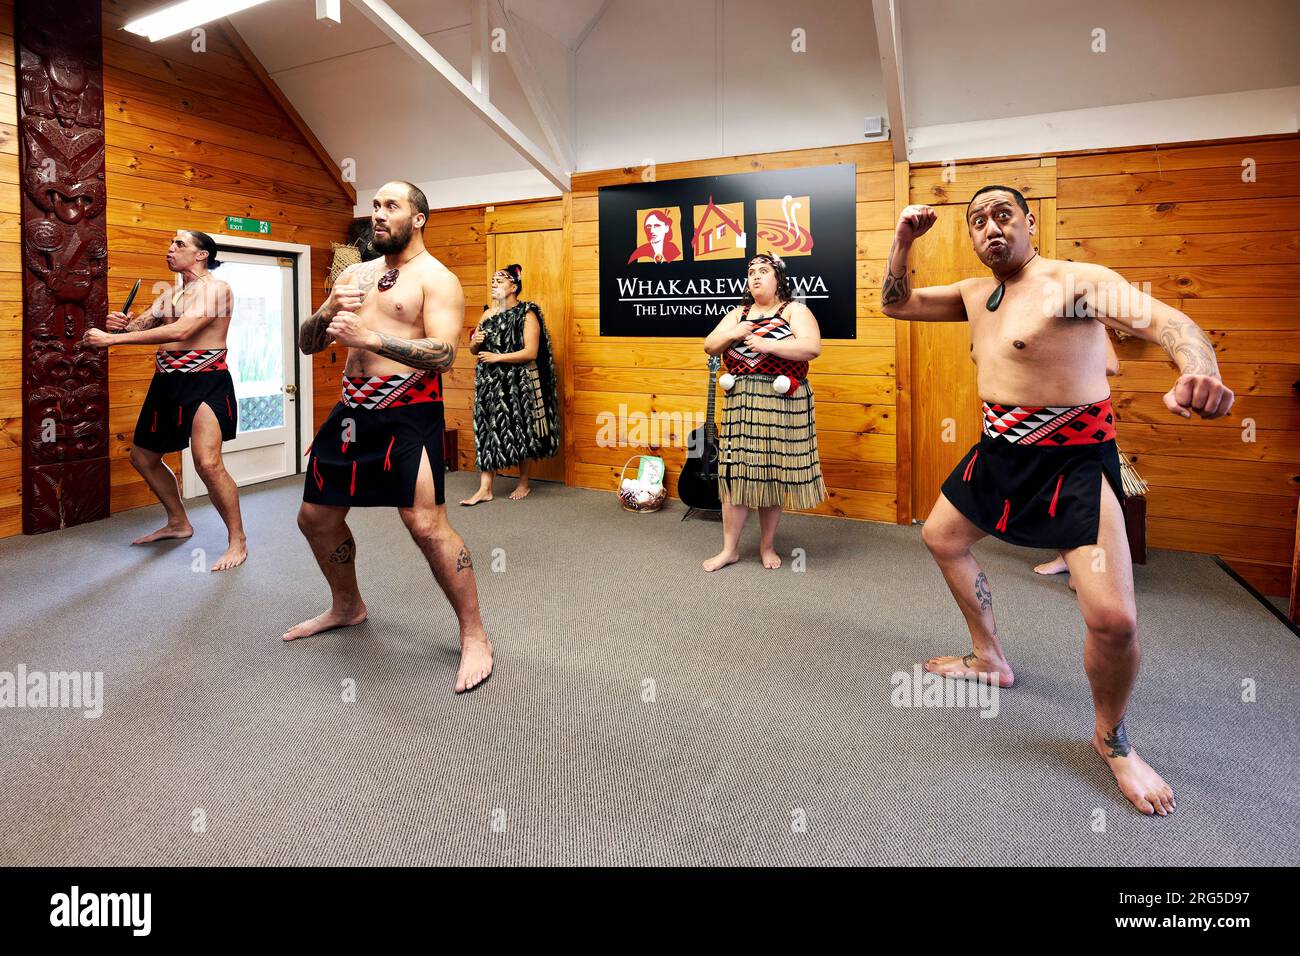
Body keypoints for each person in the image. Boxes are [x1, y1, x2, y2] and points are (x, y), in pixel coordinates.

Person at [881, 185, 1234, 816]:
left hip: (1073, 461)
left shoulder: (1073, 282)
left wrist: (1197, 366)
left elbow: (1168, 323)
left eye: (1003, 215)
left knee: (1114, 621)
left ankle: (1112, 740)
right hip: (999, 451)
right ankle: (989, 657)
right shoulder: (972, 294)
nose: (991, 228)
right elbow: (898, 303)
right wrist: (904, 240)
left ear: (1030, 222)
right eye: (977, 220)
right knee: (941, 536)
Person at [284, 180, 492, 694]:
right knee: (315, 518)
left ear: (418, 218)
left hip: (408, 411)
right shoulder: (354, 273)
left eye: (391, 206)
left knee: (424, 524)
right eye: (374, 206)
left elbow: (445, 355)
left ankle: (474, 635)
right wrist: (330, 307)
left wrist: (374, 337)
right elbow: (309, 343)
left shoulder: (436, 279)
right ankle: (348, 605)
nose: (378, 214)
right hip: (353, 410)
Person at [84, 230, 246, 571]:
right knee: (142, 457)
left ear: (201, 255)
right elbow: (141, 325)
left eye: (180, 244)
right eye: (171, 243)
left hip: (206, 382)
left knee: (207, 463)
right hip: (167, 382)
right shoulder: (171, 294)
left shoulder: (217, 289)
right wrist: (121, 325)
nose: (171, 249)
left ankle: (237, 540)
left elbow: (180, 332)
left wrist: (113, 342)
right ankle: (178, 522)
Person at [701, 253, 826, 571]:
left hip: (782, 399)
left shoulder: (794, 310)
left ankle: (767, 545)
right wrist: (734, 333)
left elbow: (811, 347)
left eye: (763, 271)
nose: (755, 276)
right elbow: (710, 345)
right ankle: (729, 549)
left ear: (778, 278)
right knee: (736, 473)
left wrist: (767, 344)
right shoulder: (738, 314)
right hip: (742, 399)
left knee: (772, 473)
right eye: (751, 271)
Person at [459, 264, 561, 505]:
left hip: (517, 381)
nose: (494, 285)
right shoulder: (487, 315)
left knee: (520, 427)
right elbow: (475, 350)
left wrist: (498, 357)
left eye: (500, 281)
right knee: (486, 428)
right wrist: (476, 342)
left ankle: (524, 482)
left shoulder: (526, 314)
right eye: (493, 281)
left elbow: (531, 351)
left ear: (513, 287)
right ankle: (485, 488)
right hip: (489, 382)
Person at [1034, 333, 1120, 577]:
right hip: (1043, 420)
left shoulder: (1093, 325)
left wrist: (1065, 361)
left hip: (1083, 424)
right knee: (1052, 492)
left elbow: (1111, 365)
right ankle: (1066, 558)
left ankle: (1090, 570)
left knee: (1082, 497)